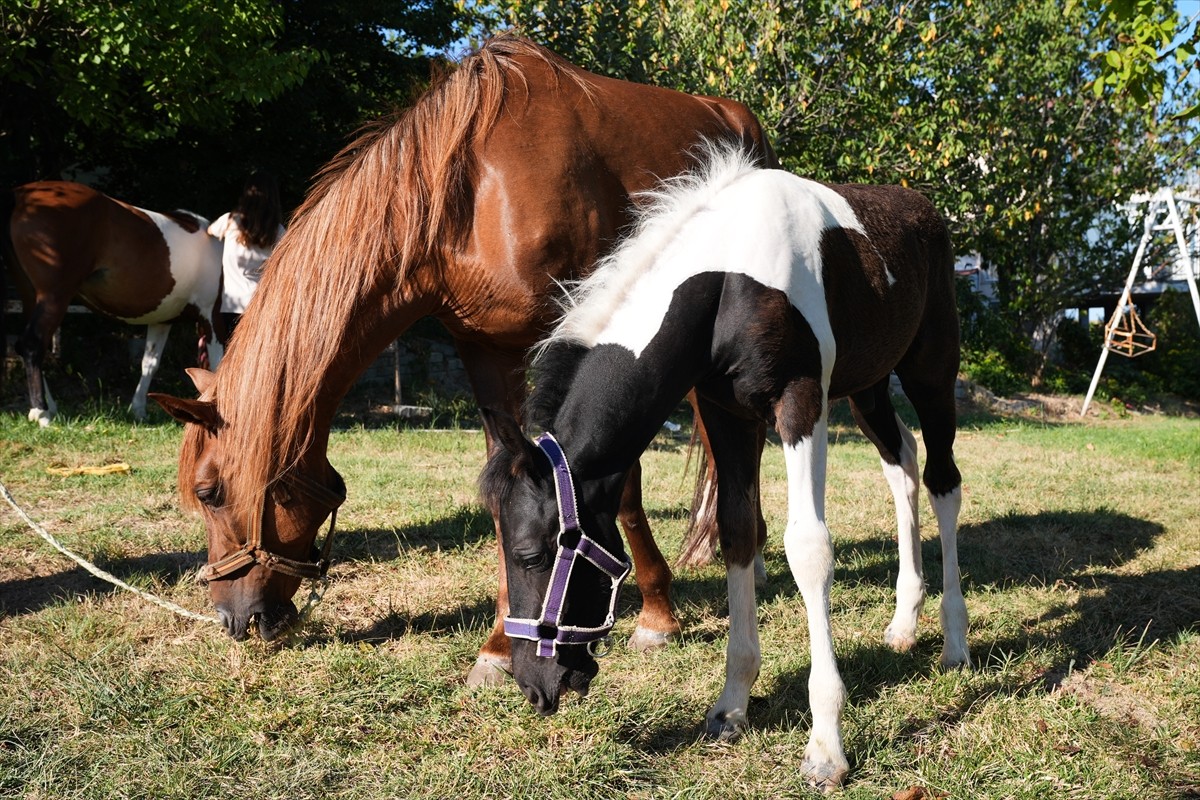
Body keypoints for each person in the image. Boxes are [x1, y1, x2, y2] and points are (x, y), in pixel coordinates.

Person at [208, 171, 285, 340]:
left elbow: (209, 231)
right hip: (263, 307)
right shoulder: (279, 231)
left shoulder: (230, 221)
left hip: (232, 306)